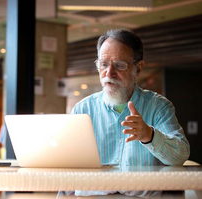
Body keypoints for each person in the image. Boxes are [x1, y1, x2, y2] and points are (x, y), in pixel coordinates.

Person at [68, 29, 190, 197]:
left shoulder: (158, 106)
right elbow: (67, 164)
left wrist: (149, 135)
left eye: (119, 65)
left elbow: (180, 155)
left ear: (138, 68)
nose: (109, 73)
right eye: (103, 64)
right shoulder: (82, 110)